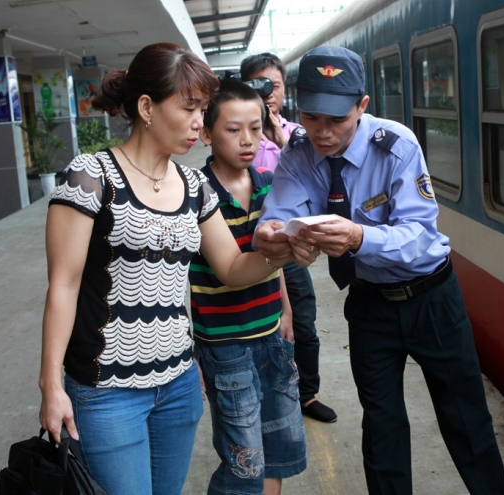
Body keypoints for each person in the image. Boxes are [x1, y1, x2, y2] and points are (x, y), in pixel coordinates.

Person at [37, 43, 305, 495]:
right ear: (147, 108)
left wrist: (285, 252)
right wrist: (50, 385)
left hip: (179, 384)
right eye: (189, 108)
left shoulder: (195, 186)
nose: (199, 121)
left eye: (202, 109)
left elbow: (232, 267)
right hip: (107, 390)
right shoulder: (90, 177)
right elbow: (64, 284)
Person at [255, 46, 504, 495]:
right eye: (311, 117)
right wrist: (273, 235)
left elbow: (420, 235)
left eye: (337, 119)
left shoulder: (396, 147)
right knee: (382, 426)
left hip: (431, 299)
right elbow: (278, 214)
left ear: (362, 106)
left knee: (466, 419)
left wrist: (359, 238)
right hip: (370, 305)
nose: (322, 131)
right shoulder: (297, 154)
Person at [190, 78, 306, 495]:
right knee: (244, 463)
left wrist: (286, 311)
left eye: (256, 128)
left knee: (277, 450)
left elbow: (272, 265)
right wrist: (191, 352)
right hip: (226, 347)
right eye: (233, 129)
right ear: (206, 133)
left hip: (272, 336)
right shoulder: (196, 193)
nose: (247, 140)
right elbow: (195, 277)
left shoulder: (268, 184)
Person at [241, 52, 336, 423]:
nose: (268, 93)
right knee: (261, 326)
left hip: (290, 247)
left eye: (274, 85)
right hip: (249, 246)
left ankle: (307, 394)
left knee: (303, 319)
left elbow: (315, 179)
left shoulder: (299, 134)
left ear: (284, 90)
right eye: (259, 85)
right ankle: (270, 396)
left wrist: (279, 139)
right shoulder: (239, 133)